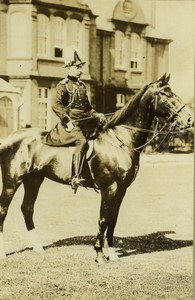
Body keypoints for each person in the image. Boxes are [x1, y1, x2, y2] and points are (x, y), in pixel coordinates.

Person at [52, 50, 105, 191]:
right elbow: (56, 106)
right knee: (82, 141)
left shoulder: (82, 86)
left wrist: (96, 114)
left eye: (81, 67)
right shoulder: (62, 86)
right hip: (69, 124)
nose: (81, 71)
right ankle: (75, 176)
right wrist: (67, 121)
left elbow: (87, 108)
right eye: (77, 67)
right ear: (69, 68)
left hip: (84, 123)